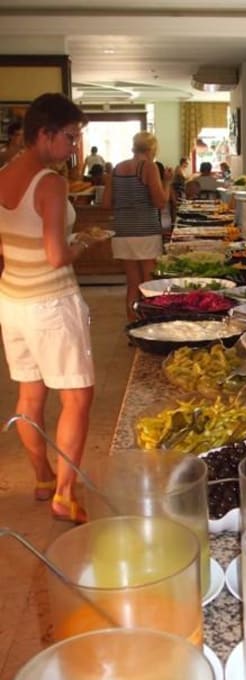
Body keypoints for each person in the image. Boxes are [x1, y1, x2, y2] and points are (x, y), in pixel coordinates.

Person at [0, 92, 109, 523]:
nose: (74, 146)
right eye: (69, 136)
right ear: (44, 134)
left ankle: (44, 477)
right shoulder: (49, 182)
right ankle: (64, 493)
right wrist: (84, 241)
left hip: (12, 300)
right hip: (50, 302)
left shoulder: (4, 175)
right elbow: (56, 255)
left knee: (29, 394)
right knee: (77, 397)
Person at [102, 131, 173, 320]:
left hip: (122, 232)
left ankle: (133, 325)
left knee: (133, 283)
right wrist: (167, 182)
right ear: (152, 149)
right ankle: (148, 324)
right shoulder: (148, 167)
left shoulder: (117, 168)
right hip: (145, 231)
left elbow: (106, 203)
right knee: (149, 283)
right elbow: (160, 202)